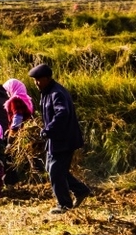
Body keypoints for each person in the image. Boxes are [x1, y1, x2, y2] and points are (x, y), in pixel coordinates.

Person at [28, 63, 91, 214]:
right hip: (56, 139)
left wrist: (48, 130)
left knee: (56, 171)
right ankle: (81, 190)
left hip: (64, 139)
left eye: (39, 79)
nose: (36, 83)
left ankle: (64, 204)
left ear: (48, 78)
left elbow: (62, 114)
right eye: (34, 80)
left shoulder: (56, 93)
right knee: (52, 169)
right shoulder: (47, 92)